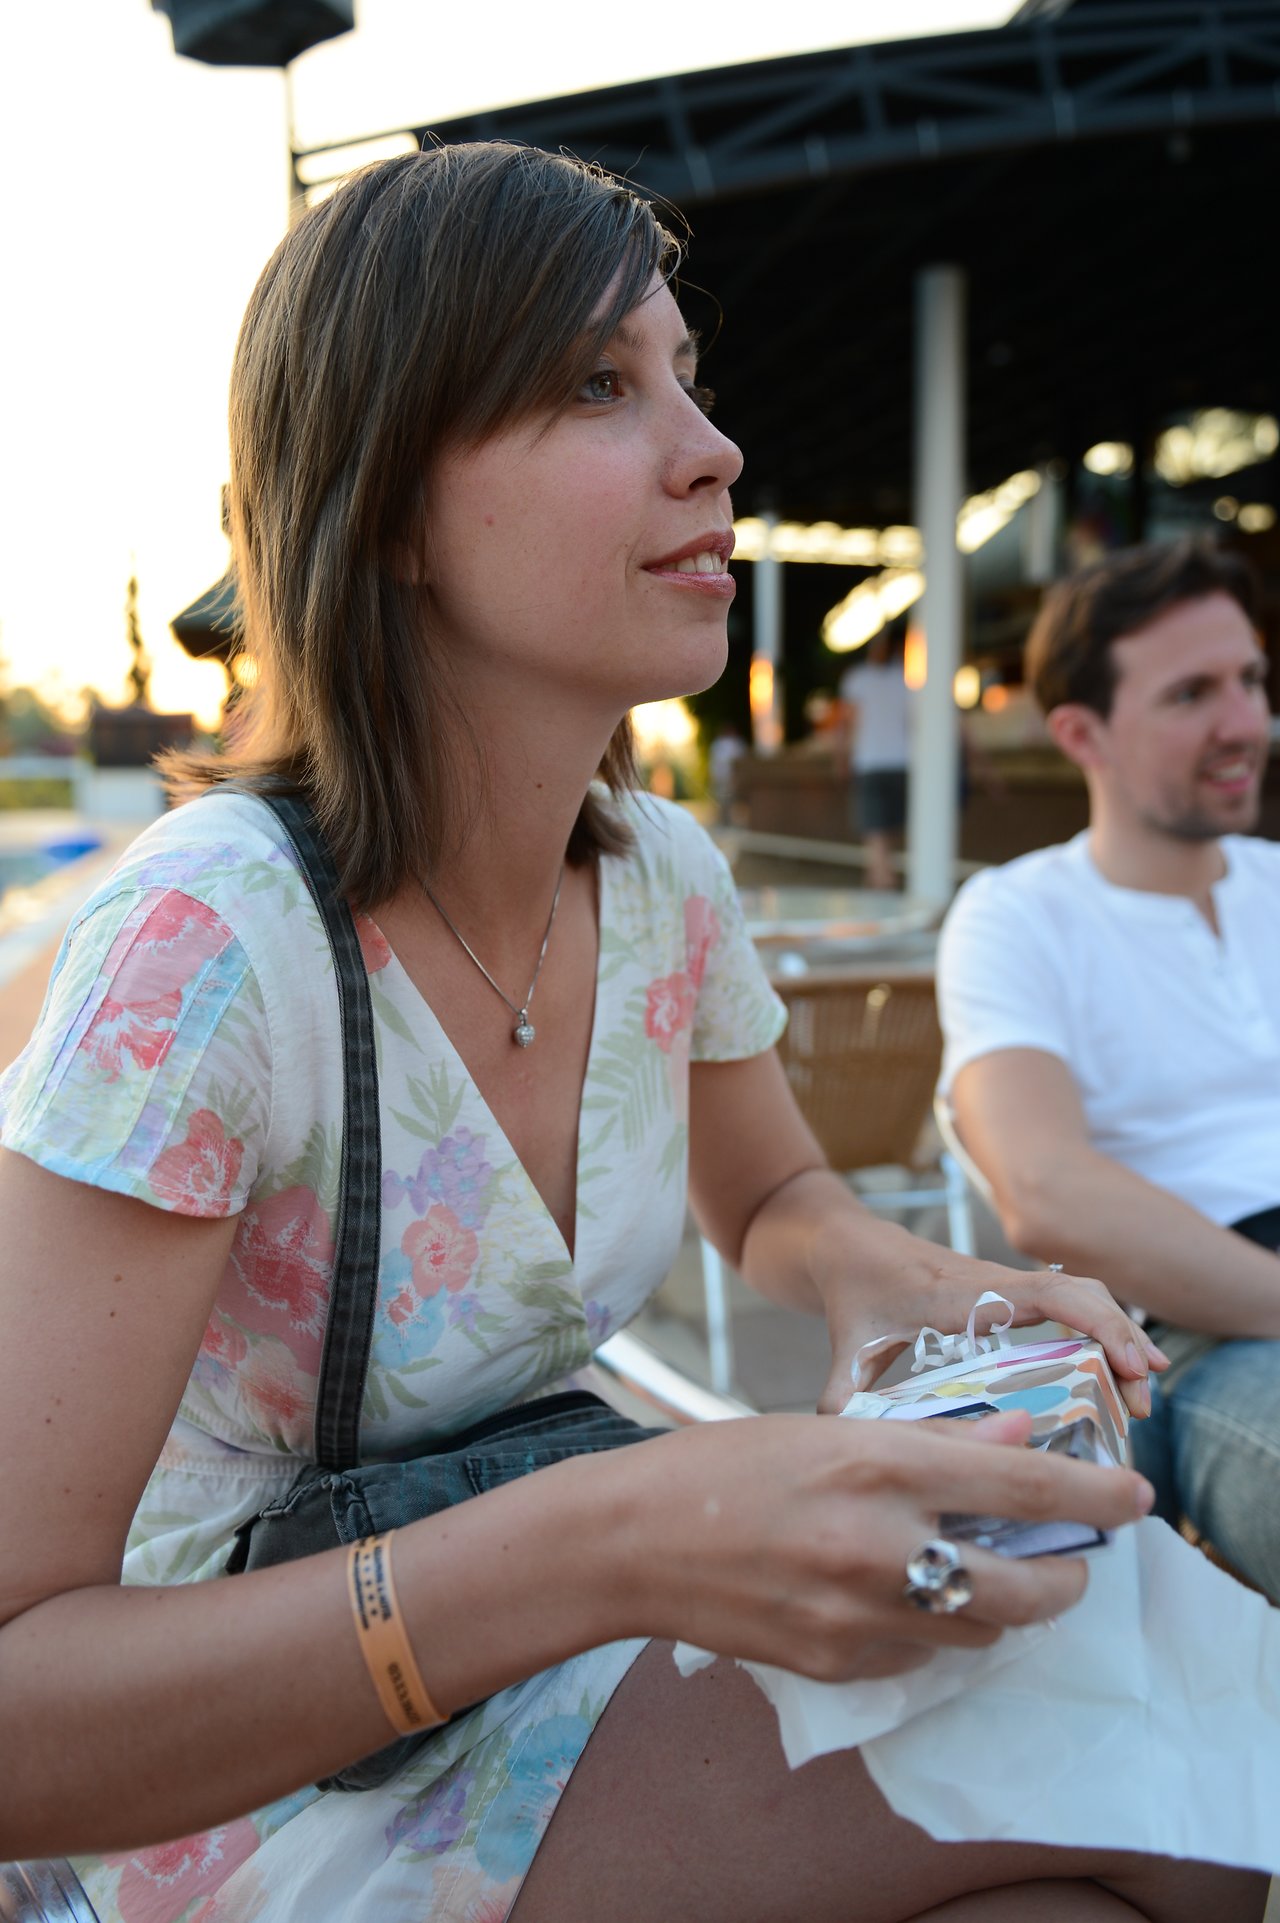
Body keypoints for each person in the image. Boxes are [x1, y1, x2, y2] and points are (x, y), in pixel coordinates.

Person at [0, 148, 1261, 1923]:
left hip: (549, 1635)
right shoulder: (207, 946)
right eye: (601, 383)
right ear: (386, 509)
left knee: (1123, 1832)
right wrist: (612, 1532)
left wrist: (892, 1285)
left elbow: (780, 1203)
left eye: (687, 373)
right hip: (254, 1769)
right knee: (1179, 1781)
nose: (713, 446)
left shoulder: (660, 873)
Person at [937, 536, 1280, 1601]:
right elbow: (1045, 1192)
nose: (1245, 724)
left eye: (1250, 681)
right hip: (1208, 1326)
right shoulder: (1017, 915)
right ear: (1079, 733)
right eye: (1190, 695)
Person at [838, 624, 910, 888]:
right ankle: (878, 879)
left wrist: (841, 756)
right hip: (903, 763)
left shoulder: (857, 678)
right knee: (888, 833)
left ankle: (883, 886)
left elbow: (847, 723)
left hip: (871, 763)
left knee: (874, 831)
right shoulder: (905, 680)